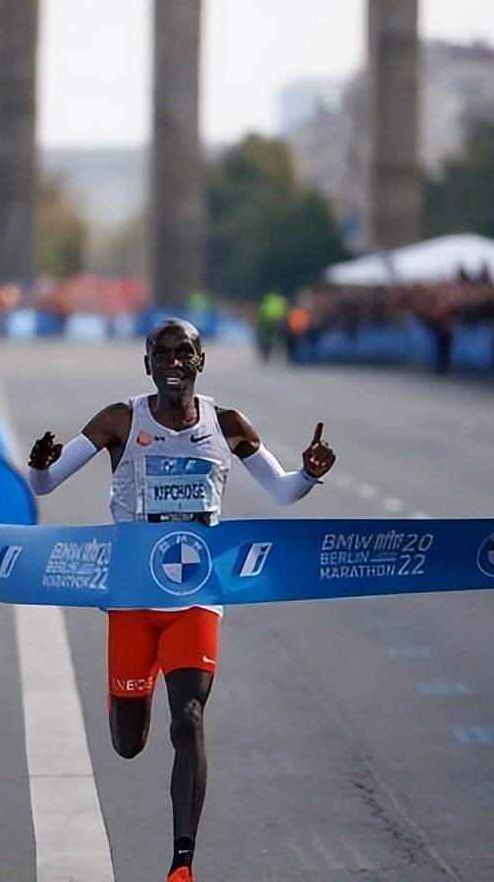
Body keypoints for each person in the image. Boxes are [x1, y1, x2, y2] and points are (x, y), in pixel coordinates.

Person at [27, 317, 335, 882]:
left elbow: (284, 490)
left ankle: (182, 864)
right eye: (161, 353)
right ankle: (127, 699)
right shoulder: (120, 420)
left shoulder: (228, 425)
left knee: (188, 718)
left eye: (184, 353)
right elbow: (46, 486)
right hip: (132, 598)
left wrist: (309, 475)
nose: (173, 362)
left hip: (196, 592)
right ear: (147, 363)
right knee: (128, 742)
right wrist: (40, 466)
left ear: (199, 362)